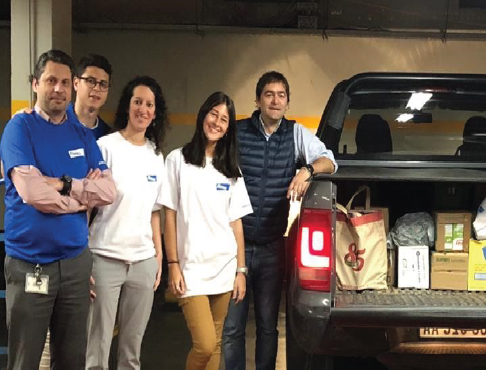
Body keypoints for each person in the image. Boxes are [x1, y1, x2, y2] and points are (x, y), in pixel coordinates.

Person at [0, 49, 116, 370]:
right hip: (30, 265)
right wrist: (80, 193)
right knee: (25, 361)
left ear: (72, 86)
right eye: (51, 80)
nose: (59, 89)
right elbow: (32, 192)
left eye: (66, 82)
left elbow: (107, 191)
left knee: (71, 361)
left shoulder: (81, 132)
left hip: (76, 266)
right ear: (36, 84)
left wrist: (63, 185)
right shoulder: (19, 129)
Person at [222, 71, 337, 370]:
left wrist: (306, 171)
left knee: (267, 327)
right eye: (269, 94)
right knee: (232, 328)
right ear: (258, 100)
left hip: (273, 247)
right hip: (236, 246)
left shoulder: (296, 133)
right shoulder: (236, 131)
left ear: (287, 103)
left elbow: (330, 160)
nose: (275, 100)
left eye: (281, 95)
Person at [159, 92, 251, 370]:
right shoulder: (177, 160)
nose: (217, 122)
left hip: (224, 268)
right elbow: (169, 217)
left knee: (216, 345)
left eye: (224, 119)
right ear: (203, 115)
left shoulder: (230, 169)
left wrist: (241, 270)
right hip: (191, 271)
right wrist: (172, 264)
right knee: (205, 344)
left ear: (228, 129)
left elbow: (236, 224)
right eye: (214, 114)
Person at [85, 76, 169, 370]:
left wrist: (158, 256)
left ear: (155, 113)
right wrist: (83, 255)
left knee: (131, 351)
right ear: (127, 106)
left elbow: (154, 211)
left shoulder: (157, 156)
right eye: (138, 102)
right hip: (104, 257)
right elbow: (86, 205)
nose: (143, 109)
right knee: (97, 347)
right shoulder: (105, 147)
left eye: (149, 104)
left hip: (143, 262)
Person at [68, 54, 113, 139]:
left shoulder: (107, 136)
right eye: (91, 81)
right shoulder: (56, 123)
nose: (97, 88)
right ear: (76, 83)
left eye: (103, 84)